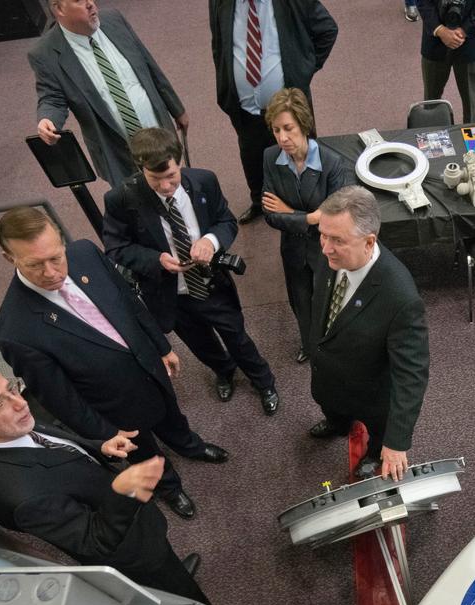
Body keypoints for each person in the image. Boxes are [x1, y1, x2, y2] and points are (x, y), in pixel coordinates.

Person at [0, 206, 230, 522]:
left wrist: (161, 346)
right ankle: (169, 487)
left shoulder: (85, 253)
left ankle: (189, 445)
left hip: (149, 366)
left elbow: (128, 300)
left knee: (171, 414)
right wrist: (103, 433)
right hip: (113, 407)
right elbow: (60, 399)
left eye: (55, 258)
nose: (52, 273)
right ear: (10, 258)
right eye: (35, 265)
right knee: (144, 453)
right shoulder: (17, 331)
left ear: (62, 242)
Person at [0, 359, 226, 605]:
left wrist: (99, 447)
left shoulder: (5, 427)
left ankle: (173, 575)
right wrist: (126, 491)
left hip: (139, 532)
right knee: (173, 596)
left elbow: (56, 444)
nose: (21, 404)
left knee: (168, 571)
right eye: (0, 403)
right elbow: (95, 542)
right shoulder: (20, 497)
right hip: (128, 550)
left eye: (11, 389)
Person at [103, 128, 279, 416]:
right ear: (140, 168)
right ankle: (224, 371)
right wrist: (155, 259)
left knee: (237, 337)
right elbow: (115, 247)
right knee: (200, 344)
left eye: (171, 176)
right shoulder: (120, 199)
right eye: (155, 179)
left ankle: (264, 382)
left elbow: (226, 220)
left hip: (211, 284)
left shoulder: (204, 181)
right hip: (170, 293)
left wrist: (210, 241)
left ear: (179, 162)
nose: (165, 186)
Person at [307, 186, 429, 481]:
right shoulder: (334, 257)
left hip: (371, 395)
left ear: (369, 241)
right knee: (334, 412)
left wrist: (396, 443)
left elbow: (411, 373)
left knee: (377, 434)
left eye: (336, 240)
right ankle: (337, 424)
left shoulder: (400, 298)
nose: (324, 248)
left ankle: (372, 453)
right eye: (323, 235)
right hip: (329, 379)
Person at [30, 0, 190, 188]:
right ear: (59, 9)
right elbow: (52, 97)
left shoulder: (114, 19)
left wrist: (176, 109)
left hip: (158, 130)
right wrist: (47, 118)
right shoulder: (44, 53)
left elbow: (148, 65)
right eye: (79, 0)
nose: (90, 4)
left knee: (174, 183)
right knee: (137, 203)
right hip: (116, 149)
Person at [208, 0, 338, 223]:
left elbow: (327, 29)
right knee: (251, 153)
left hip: (288, 106)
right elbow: (219, 43)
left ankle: (306, 206)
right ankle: (260, 202)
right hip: (244, 106)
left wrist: (304, 69)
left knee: (302, 153)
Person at [261, 87, 352, 363]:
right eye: (276, 130)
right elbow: (269, 214)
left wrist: (292, 212)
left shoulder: (332, 163)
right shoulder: (269, 158)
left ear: (304, 124)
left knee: (330, 300)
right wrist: (311, 216)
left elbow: (335, 217)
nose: (282, 137)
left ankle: (334, 345)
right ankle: (310, 345)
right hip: (293, 249)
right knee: (300, 302)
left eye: (288, 128)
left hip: (326, 248)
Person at [415, 0, 475, 124]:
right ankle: (430, 134)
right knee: (431, 99)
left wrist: (465, 30)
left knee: (471, 100)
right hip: (435, 40)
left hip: (470, 41)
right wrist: (440, 30)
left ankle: (472, 140)